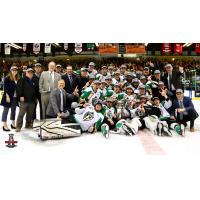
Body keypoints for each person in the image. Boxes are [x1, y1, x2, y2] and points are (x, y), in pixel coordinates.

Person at [1, 66, 20, 131]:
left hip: (14, 97)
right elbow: (5, 88)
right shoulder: (7, 78)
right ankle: (4, 125)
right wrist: (7, 96)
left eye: (15, 70)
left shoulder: (17, 79)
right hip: (8, 97)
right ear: (11, 71)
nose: (14, 71)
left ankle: (13, 124)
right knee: (5, 110)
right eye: (13, 70)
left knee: (13, 111)